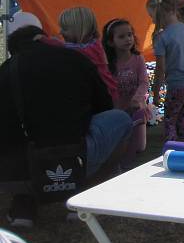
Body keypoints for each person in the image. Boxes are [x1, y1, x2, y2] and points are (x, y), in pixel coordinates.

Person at [0, 13, 132, 227]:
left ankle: (23, 203)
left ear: (13, 48)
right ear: (42, 37)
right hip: (78, 156)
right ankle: (84, 193)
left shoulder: (7, 70)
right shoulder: (75, 59)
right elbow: (105, 106)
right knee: (121, 119)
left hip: (21, 167)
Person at [148, 0, 184, 143]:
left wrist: (155, 92)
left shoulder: (162, 37)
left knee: (170, 121)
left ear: (159, 14)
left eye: (152, 16)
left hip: (178, 85)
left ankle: (172, 149)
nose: (152, 20)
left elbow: (160, 69)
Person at [102, 18, 149, 163]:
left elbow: (144, 82)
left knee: (139, 147)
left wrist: (138, 97)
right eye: (121, 37)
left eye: (129, 35)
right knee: (120, 145)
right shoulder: (109, 63)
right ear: (111, 42)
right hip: (117, 109)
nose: (128, 39)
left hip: (136, 108)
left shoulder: (138, 59)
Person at [51, 6, 118, 103]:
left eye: (64, 28)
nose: (60, 32)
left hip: (107, 95)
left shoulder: (94, 47)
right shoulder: (90, 45)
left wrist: (47, 40)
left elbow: (68, 49)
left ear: (79, 29)